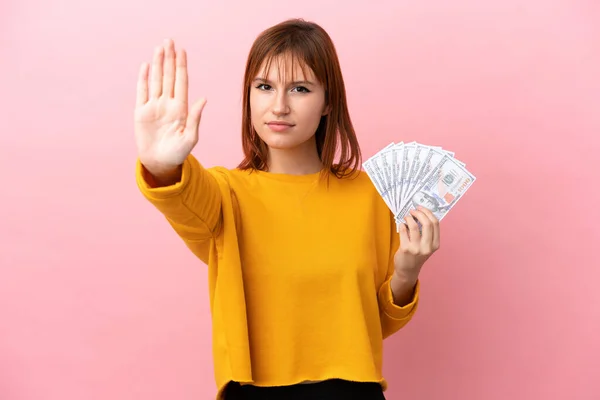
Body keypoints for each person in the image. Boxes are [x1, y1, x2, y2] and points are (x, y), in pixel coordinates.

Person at [134, 18, 441, 400]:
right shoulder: (226, 194)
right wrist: (161, 164)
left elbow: (372, 324)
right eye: (264, 87)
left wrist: (408, 271)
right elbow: (182, 198)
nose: (279, 106)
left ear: (329, 101)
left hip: (353, 391)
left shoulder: (372, 196)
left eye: (299, 88)